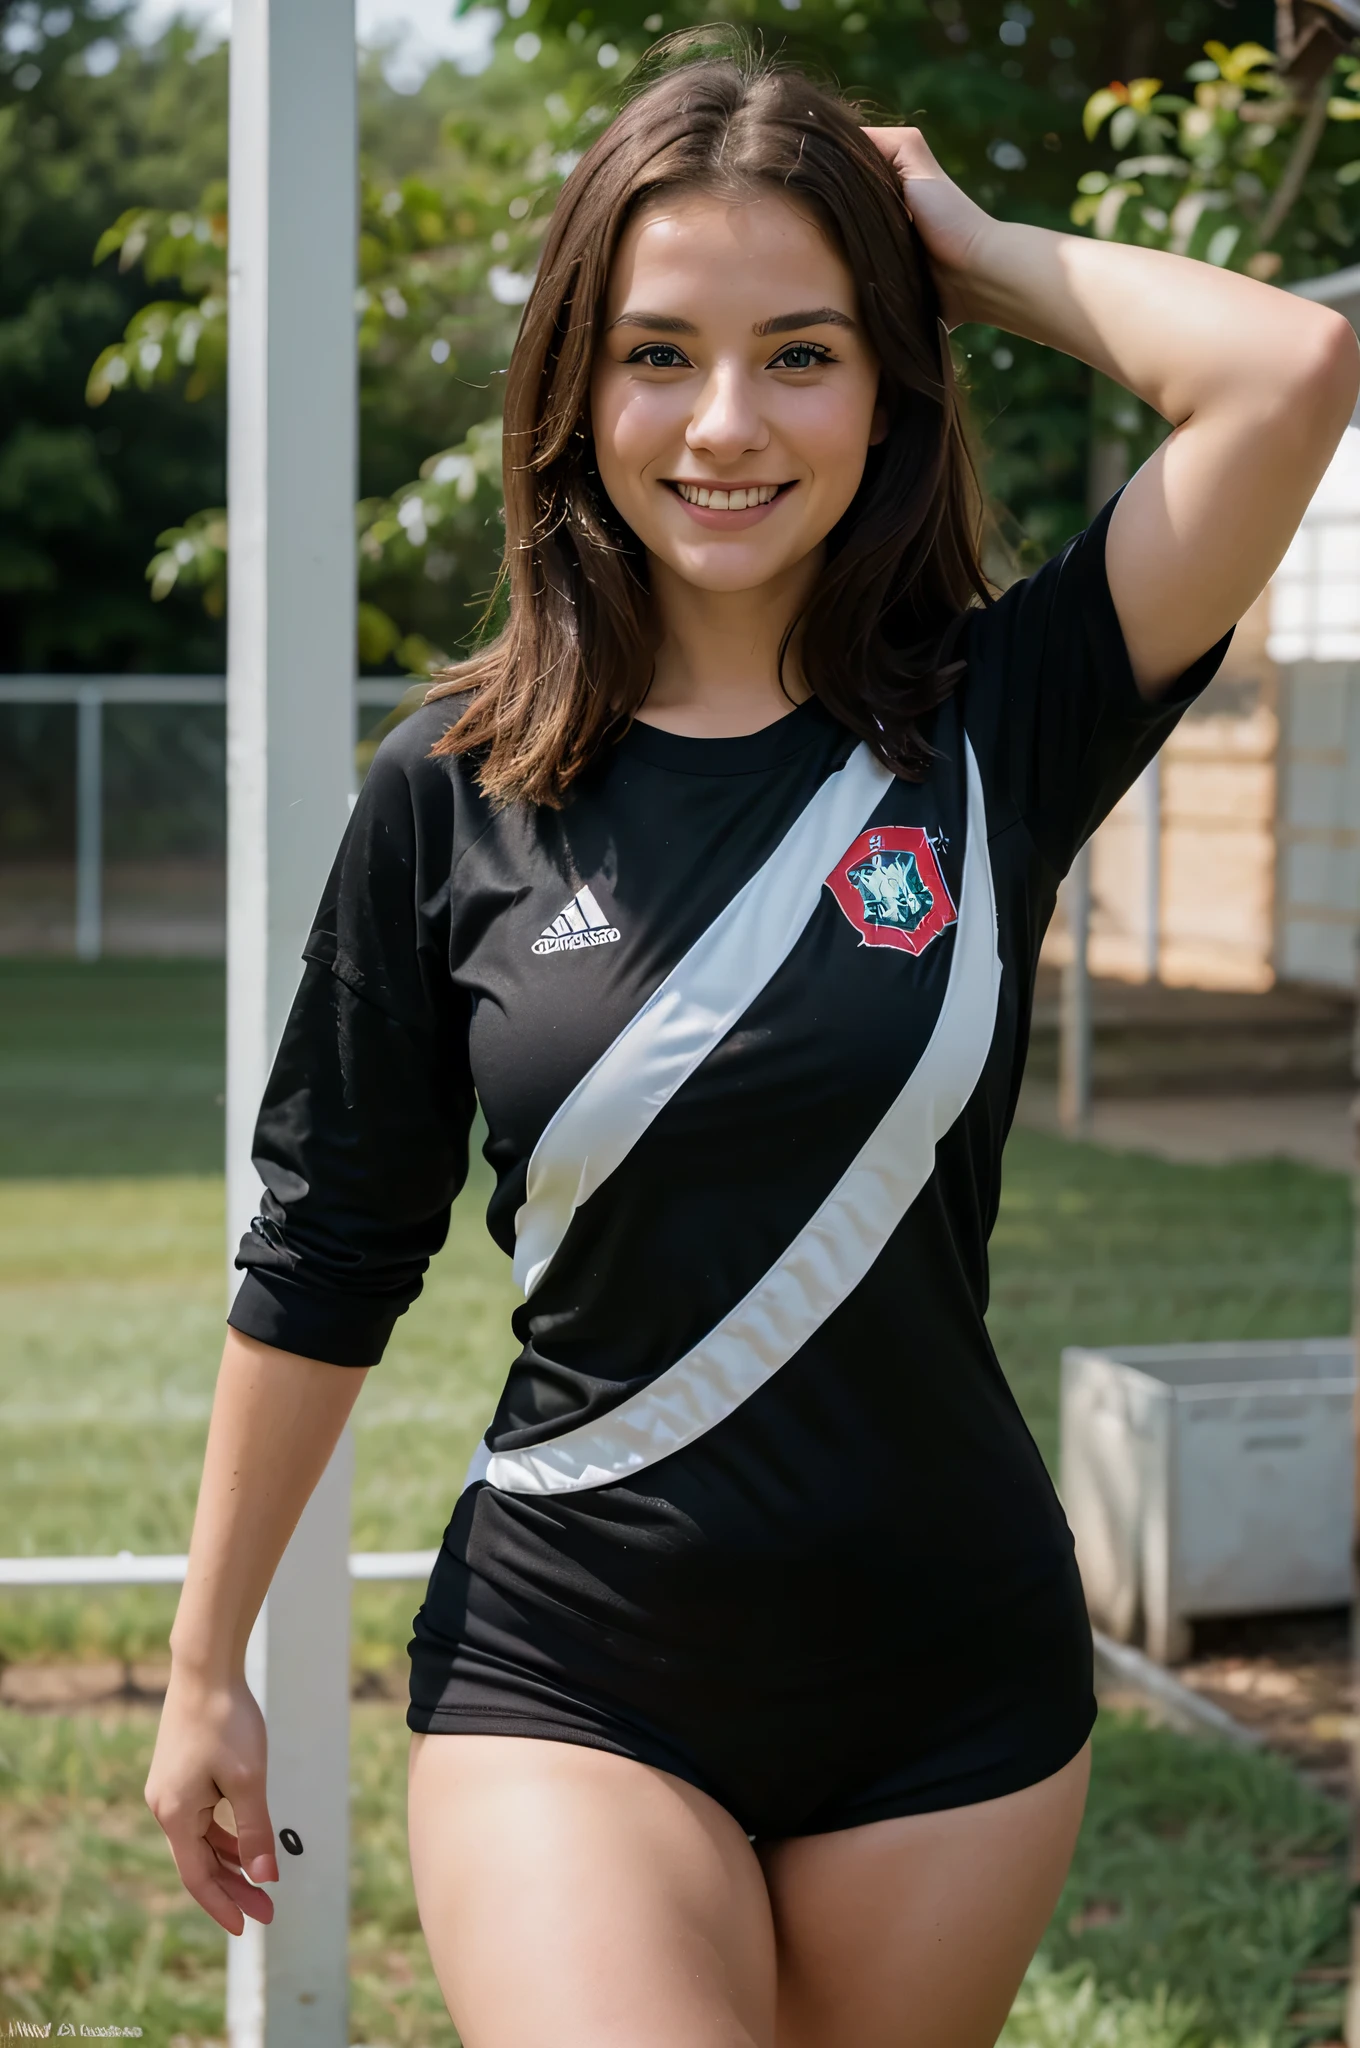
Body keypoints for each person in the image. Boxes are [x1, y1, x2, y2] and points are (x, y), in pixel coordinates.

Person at [145, 41, 1358, 2048]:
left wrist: (958, 245)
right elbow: (324, 1244)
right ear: (572, 389)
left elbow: (1285, 376)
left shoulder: (1003, 715)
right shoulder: (450, 789)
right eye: (657, 354)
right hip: (576, 1671)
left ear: (887, 383)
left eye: (800, 351)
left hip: (949, 1692)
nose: (723, 422)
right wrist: (205, 1663)